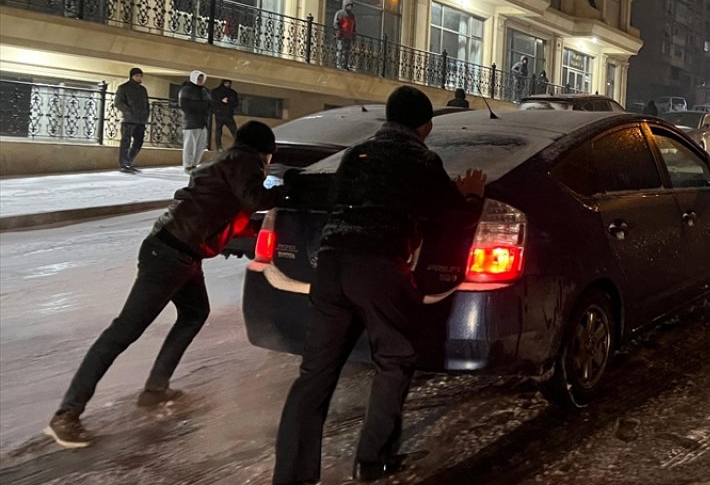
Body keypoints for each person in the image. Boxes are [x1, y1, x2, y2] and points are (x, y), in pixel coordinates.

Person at [273, 86, 486, 485]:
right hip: (379, 266)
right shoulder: (421, 157)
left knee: (315, 374)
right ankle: (374, 459)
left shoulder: (356, 153)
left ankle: (292, 476)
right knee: (395, 360)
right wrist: (471, 197)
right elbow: (453, 216)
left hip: (332, 264)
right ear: (425, 126)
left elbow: (338, 199)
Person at [44, 122, 284, 449]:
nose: (268, 164)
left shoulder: (227, 162)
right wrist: (290, 189)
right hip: (170, 255)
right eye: (269, 157)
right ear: (264, 151)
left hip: (179, 252)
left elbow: (226, 213)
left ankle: (156, 389)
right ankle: (66, 415)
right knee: (124, 330)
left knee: (195, 313)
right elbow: (256, 197)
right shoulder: (245, 162)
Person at [114, 67, 149, 173]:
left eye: (140, 76)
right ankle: (124, 164)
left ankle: (129, 161)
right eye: (137, 76)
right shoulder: (123, 88)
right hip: (128, 120)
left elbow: (146, 104)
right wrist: (128, 112)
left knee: (139, 141)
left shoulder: (142, 89)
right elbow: (118, 102)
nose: (139, 78)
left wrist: (146, 115)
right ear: (132, 76)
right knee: (126, 142)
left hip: (140, 120)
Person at [178, 71, 212, 173]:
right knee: (190, 145)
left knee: (200, 146)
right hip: (191, 122)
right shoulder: (186, 90)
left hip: (203, 122)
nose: (200, 81)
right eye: (198, 78)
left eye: (202, 79)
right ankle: (188, 166)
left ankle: (194, 165)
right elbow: (184, 105)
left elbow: (209, 104)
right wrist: (201, 106)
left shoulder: (204, 91)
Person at [210, 79, 240, 150]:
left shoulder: (232, 93)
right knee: (219, 131)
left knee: (234, 131)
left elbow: (236, 103)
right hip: (220, 114)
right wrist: (221, 101)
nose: (228, 85)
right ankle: (219, 147)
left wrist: (228, 100)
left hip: (227, 115)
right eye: (226, 83)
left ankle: (238, 146)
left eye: (229, 83)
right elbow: (212, 103)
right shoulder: (215, 91)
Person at [333, 0, 357, 71]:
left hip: (348, 36)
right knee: (340, 50)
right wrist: (339, 31)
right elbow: (336, 23)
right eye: (348, 6)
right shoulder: (340, 13)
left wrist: (353, 35)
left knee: (346, 51)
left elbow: (354, 26)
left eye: (350, 6)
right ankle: (339, 64)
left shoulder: (352, 16)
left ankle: (345, 65)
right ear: (345, 6)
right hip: (342, 35)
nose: (350, 7)